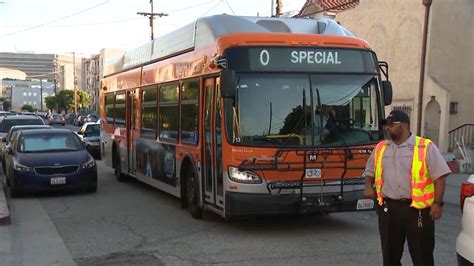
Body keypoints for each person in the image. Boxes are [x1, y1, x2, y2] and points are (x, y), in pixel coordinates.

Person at [363, 110, 451, 266]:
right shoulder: (381, 148)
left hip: (418, 212)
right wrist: (368, 186)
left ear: (404, 125)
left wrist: (438, 204)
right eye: (386, 126)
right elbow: (370, 171)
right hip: (388, 209)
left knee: (422, 256)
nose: (387, 128)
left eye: (391, 125)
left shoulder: (425, 146)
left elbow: (440, 177)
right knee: (390, 256)